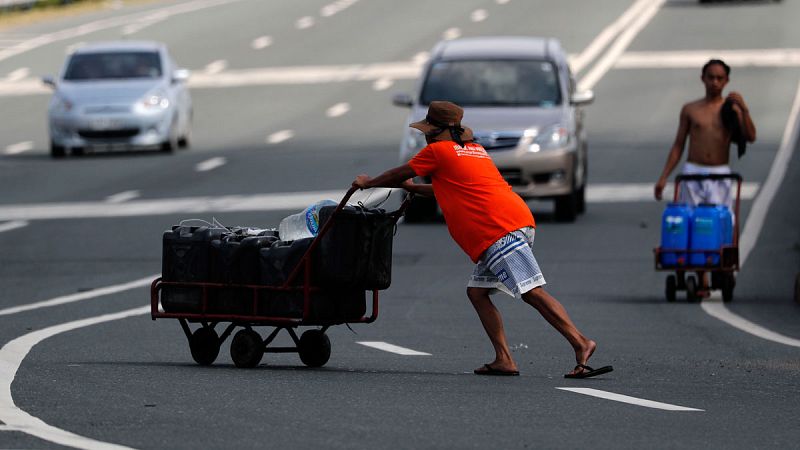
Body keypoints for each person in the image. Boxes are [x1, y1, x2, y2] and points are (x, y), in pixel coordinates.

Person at [352, 101, 612, 378]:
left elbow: (401, 172)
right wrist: (414, 189)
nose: (425, 136)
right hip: (512, 221)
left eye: (427, 131)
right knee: (477, 293)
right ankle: (504, 359)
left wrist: (370, 182)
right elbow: (448, 188)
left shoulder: (438, 151)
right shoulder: (474, 150)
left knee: (531, 290)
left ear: (435, 132)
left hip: (498, 229)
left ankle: (580, 342)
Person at [654, 59, 757, 294]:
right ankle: (701, 276)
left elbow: (750, 136)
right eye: (711, 77)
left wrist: (743, 110)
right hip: (693, 173)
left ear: (727, 81)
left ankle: (720, 266)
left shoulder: (730, 110)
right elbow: (678, 145)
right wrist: (663, 177)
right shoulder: (691, 110)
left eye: (720, 78)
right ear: (703, 78)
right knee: (694, 223)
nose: (715, 82)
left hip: (720, 174)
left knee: (722, 221)